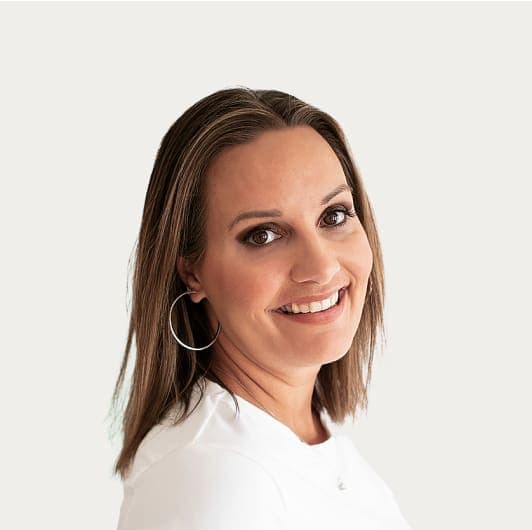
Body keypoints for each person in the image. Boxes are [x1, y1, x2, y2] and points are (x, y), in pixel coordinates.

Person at [110, 86, 414, 529]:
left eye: (333, 216)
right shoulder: (217, 482)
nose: (322, 268)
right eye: (263, 235)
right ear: (192, 273)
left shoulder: (299, 439)